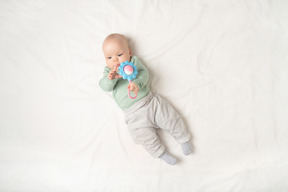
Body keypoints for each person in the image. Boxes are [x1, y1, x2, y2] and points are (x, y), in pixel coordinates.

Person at [99, 33, 192, 165]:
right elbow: (103, 86)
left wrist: (137, 84)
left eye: (119, 55)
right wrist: (111, 79)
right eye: (109, 57)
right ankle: (161, 153)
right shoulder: (108, 72)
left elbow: (144, 74)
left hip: (150, 102)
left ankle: (183, 138)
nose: (115, 60)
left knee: (169, 117)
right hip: (133, 114)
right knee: (143, 136)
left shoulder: (133, 63)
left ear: (129, 52)